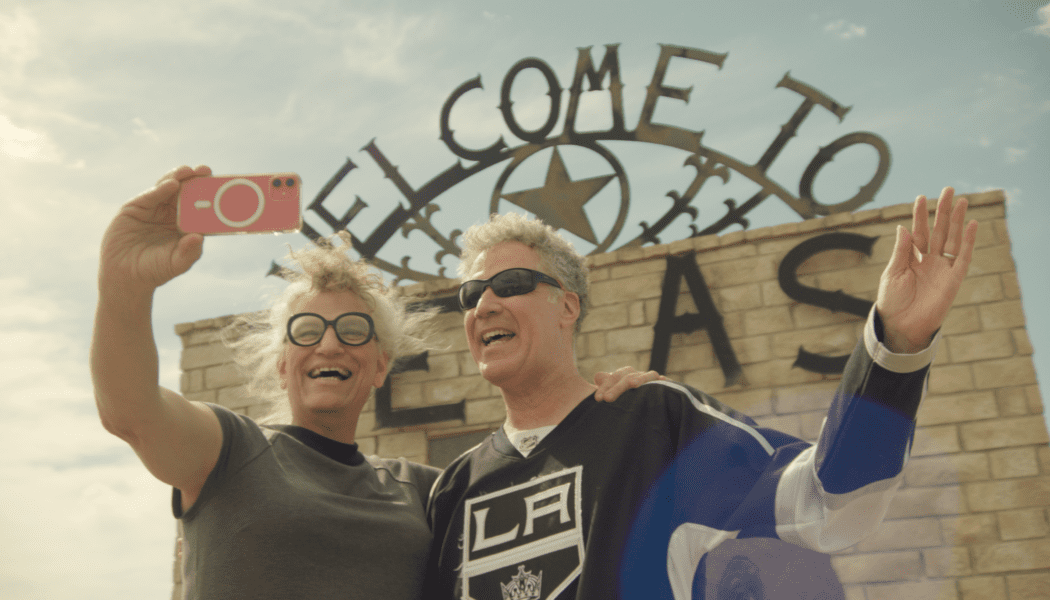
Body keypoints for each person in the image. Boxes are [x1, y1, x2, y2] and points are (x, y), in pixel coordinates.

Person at [90, 165, 657, 600]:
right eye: (307, 330)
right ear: (283, 362)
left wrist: (620, 407)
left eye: (353, 330)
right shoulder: (228, 450)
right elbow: (130, 410)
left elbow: (557, 495)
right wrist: (124, 288)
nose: (330, 344)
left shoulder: (430, 489)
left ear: (381, 365)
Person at [423, 187, 979, 600]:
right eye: (471, 294)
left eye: (512, 284)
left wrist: (895, 349)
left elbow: (828, 503)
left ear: (567, 306)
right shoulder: (455, 488)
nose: (484, 306)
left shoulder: (654, 423)